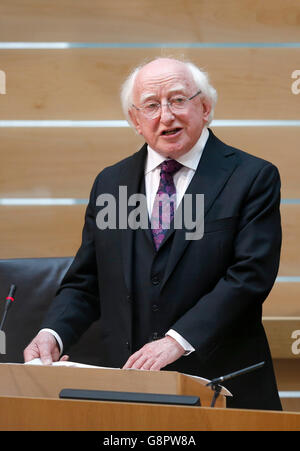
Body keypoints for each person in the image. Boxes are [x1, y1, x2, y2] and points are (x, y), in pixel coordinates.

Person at [24, 57, 282, 410]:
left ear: (205, 108)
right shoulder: (110, 183)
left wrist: (177, 340)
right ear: (135, 120)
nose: (166, 115)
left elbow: (248, 278)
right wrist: (52, 332)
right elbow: (86, 281)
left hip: (222, 390)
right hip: (128, 392)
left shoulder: (252, 178)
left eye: (178, 100)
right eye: (151, 105)